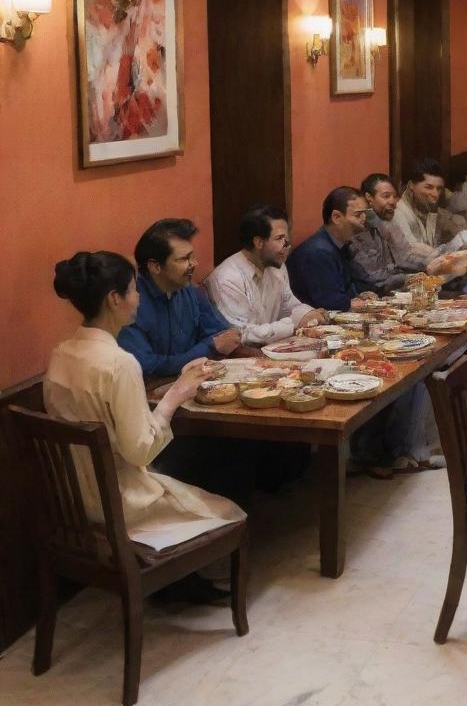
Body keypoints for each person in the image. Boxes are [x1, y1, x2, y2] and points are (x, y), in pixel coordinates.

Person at [46, 252, 244, 602]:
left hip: (75, 499)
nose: (138, 298)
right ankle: (176, 585)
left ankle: (178, 585)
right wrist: (177, 394)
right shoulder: (119, 364)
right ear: (114, 299)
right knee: (229, 508)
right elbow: (141, 449)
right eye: (134, 290)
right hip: (122, 505)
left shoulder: (62, 352)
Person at [118, 218, 244, 378]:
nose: (194, 264)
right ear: (155, 266)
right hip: (151, 394)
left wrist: (216, 344)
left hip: (196, 382)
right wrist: (209, 348)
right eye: (183, 259)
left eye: (192, 256)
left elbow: (221, 334)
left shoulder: (188, 288)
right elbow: (146, 366)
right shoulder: (131, 302)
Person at [206, 204, 324, 346]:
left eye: (287, 239)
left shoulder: (277, 267)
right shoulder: (227, 278)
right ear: (259, 242)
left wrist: (309, 314)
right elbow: (242, 335)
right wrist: (293, 324)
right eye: (279, 239)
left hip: (273, 350)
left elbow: (290, 305)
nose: (287, 246)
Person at [393, 158, 467, 295]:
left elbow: (456, 227)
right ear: (411, 185)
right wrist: (454, 253)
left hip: (436, 277)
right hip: (414, 285)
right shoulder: (399, 214)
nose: (435, 194)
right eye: (428, 187)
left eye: (439, 189)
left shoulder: (429, 209)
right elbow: (417, 256)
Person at [352, 173, 455, 292]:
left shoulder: (389, 220)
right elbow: (375, 278)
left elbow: (405, 255)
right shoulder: (361, 228)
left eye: (394, 196)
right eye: (386, 196)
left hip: (396, 290)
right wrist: (410, 278)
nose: (392, 201)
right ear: (369, 197)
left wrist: (436, 262)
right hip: (374, 295)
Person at [287, 186, 371, 311]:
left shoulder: (340, 244)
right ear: (336, 217)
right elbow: (332, 302)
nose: (364, 219)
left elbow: (358, 282)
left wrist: (364, 295)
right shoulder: (318, 252)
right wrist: (366, 305)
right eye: (358, 215)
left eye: (365, 213)